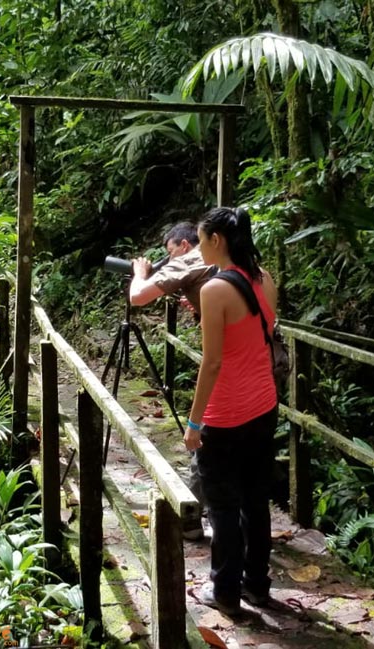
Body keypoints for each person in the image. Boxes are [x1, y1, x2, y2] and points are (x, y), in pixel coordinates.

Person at [184, 206, 278, 616]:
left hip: (224, 417)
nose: (199, 249)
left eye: (201, 241)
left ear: (216, 240)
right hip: (264, 406)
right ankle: (257, 585)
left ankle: (224, 592)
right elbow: (261, 335)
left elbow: (214, 362)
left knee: (222, 506)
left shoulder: (213, 289)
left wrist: (194, 422)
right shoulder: (263, 278)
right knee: (255, 500)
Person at [129, 221, 214, 540]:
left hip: (226, 369)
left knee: (203, 439)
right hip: (260, 368)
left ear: (186, 246)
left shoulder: (191, 261)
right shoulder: (230, 265)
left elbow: (138, 297)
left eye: (170, 251)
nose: (169, 259)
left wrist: (141, 272)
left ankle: (189, 520)